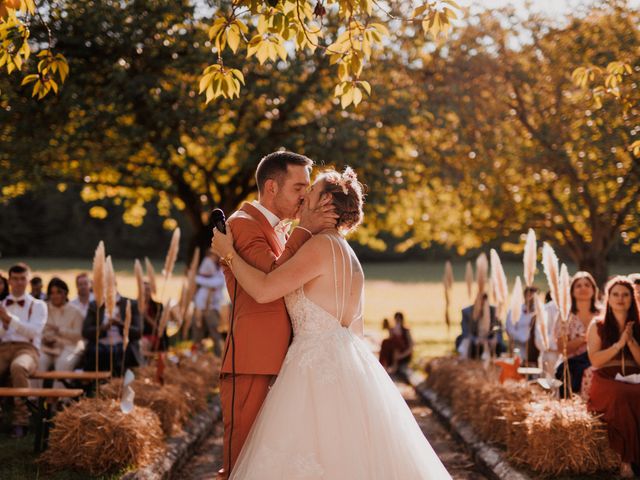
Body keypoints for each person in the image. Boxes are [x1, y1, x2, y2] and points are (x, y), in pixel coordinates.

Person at [212, 166, 451, 479]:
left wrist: (228, 255)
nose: (304, 195)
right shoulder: (349, 255)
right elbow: (354, 328)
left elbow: (263, 289)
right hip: (349, 364)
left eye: (311, 190)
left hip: (311, 367)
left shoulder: (319, 247)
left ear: (325, 204)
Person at [212, 151, 338, 479]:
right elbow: (272, 279)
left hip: (283, 360)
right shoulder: (242, 226)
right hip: (253, 360)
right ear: (271, 187)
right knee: (240, 460)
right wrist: (306, 228)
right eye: (299, 187)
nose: (305, 196)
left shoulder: (281, 230)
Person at [587, 276, 640, 478]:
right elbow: (595, 360)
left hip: (635, 376)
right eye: (615, 294)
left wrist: (631, 340)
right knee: (622, 394)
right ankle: (626, 460)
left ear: (632, 298)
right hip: (606, 379)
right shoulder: (597, 325)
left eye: (625, 295)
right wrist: (619, 344)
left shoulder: (639, 324)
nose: (620, 298)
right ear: (608, 298)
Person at [0, 263, 47, 438]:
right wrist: (4, 326)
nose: (19, 282)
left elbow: (33, 331)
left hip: (27, 350)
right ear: (9, 281)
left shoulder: (39, 305)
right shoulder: (2, 303)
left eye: (22, 278)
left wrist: (9, 319)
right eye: (15, 279)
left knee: (18, 367)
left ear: (28, 280)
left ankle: (21, 420)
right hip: (3, 348)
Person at [554, 272, 599, 396]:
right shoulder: (565, 316)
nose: (583, 288)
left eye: (587, 285)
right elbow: (561, 348)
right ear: (572, 291)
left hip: (597, 361)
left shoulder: (601, 314)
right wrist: (583, 339)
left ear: (594, 290)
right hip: (571, 364)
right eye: (578, 286)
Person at [82, 287, 142, 375]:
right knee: (97, 353)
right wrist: (102, 328)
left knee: (121, 354)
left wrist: (121, 324)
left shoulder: (130, 304)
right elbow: (85, 332)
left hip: (124, 346)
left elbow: (138, 332)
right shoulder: (95, 305)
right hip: (100, 347)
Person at [38, 278, 85, 388]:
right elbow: (39, 330)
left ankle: (61, 401)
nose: (55, 296)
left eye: (59, 292)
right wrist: (46, 338)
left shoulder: (76, 311)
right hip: (47, 346)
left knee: (63, 363)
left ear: (65, 293)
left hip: (69, 346)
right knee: (38, 361)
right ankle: (32, 399)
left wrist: (60, 330)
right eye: (52, 293)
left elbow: (79, 335)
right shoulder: (44, 308)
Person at [193, 248, 226, 357]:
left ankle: (219, 355)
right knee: (198, 331)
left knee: (215, 331)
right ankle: (197, 355)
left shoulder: (220, 267)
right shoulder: (208, 263)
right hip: (201, 304)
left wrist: (212, 283)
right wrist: (212, 283)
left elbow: (221, 282)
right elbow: (199, 279)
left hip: (212, 306)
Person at [457, 293, 505, 359]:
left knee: (501, 347)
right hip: (474, 342)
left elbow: (499, 330)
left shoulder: (493, 311)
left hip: (489, 341)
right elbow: (466, 332)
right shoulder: (467, 312)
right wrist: (477, 340)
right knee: (464, 343)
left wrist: (494, 339)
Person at [506, 286, 539, 365]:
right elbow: (509, 328)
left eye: (533, 295)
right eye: (529, 295)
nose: (531, 298)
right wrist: (524, 338)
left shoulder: (540, 311)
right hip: (518, 346)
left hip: (534, 349)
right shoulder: (515, 310)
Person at [379, 312, 414, 378]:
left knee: (396, 343)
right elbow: (390, 343)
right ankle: (385, 365)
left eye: (399, 319)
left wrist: (401, 356)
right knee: (386, 342)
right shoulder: (392, 329)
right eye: (396, 319)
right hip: (394, 354)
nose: (398, 321)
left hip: (403, 354)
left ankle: (393, 366)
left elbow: (410, 346)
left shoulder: (406, 331)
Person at [140, 281, 165, 353]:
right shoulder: (135, 305)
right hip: (138, 337)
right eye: (143, 290)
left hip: (152, 336)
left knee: (142, 343)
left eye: (147, 290)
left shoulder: (157, 306)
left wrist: (147, 317)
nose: (145, 292)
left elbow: (160, 329)